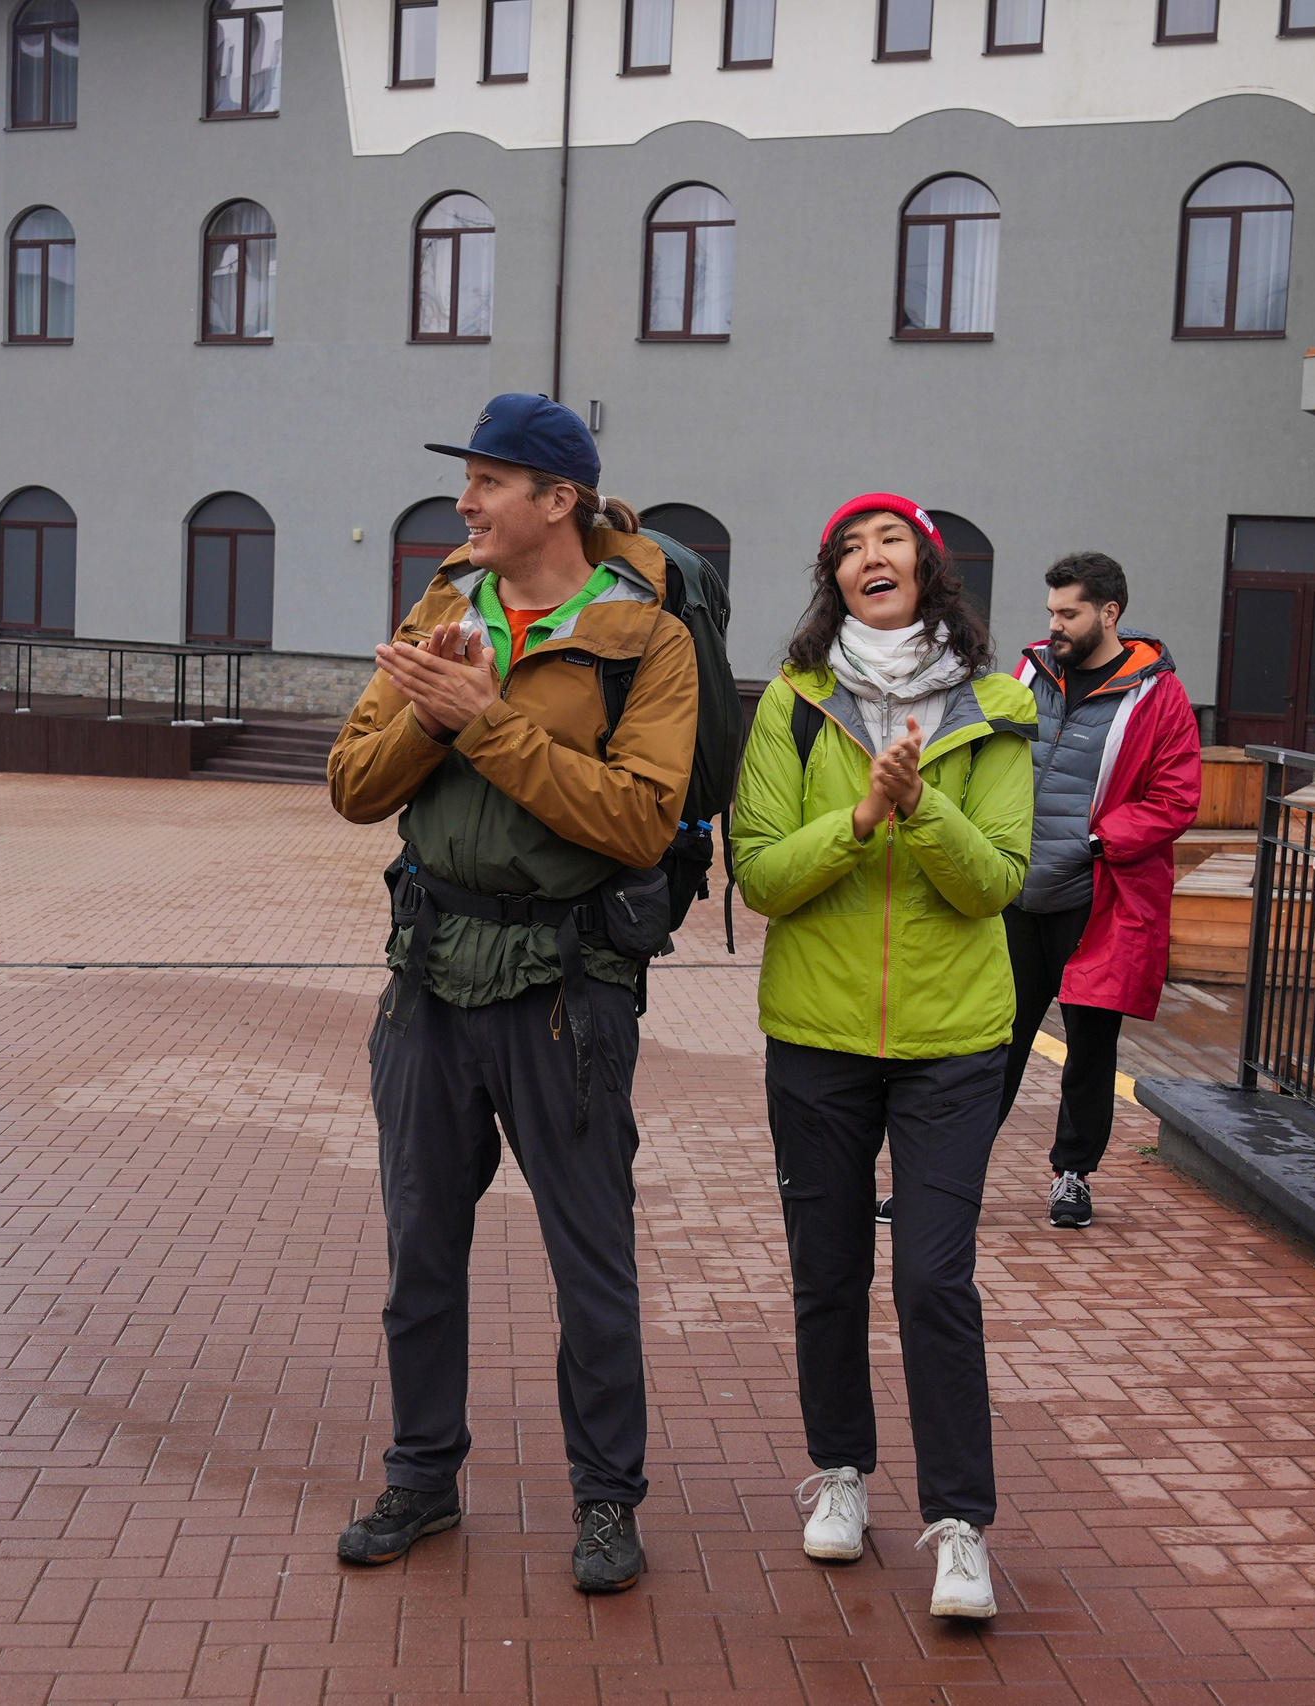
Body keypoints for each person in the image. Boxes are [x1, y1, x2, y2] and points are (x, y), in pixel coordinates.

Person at [325, 396, 696, 1591]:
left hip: (567, 986)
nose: (463, 503)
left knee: (589, 1257)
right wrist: (437, 720)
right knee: (418, 1247)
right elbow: (350, 785)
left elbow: (638, 817)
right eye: (465, 481)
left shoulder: (646, 639)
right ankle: (422, 1475)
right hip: (429, 975)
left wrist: (481, 723)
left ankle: (605, 1501)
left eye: (487, 482)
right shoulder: (441, 608)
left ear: (558, 500)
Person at [731, 493, 1036, 1622]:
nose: (871, 557)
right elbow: (759, 873)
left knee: (930, 1278)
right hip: (814, 1037)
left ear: (929, 568)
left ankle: (960, 1524)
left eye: (890, 541)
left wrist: (919, 811)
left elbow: (997, 878)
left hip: (953, 1042)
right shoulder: (796, 705)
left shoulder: (1000, 708)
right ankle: (842, 1475)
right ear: (833, 579)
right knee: (827, 1271)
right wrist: (860, 815)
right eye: (851, 547)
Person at [999, 554, 1200, 1230]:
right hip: (1015, 896)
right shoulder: (1028, 672)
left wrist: (1097, 841)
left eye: (1069, 613)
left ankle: (1073, 1176)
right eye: (1051, 611)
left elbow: (1175, 799)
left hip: (1096, 901)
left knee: (1089, 1048)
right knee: (987, 1044)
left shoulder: (1159, 695)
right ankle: (947, 1175)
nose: (1053, 624)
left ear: (1108, 614)